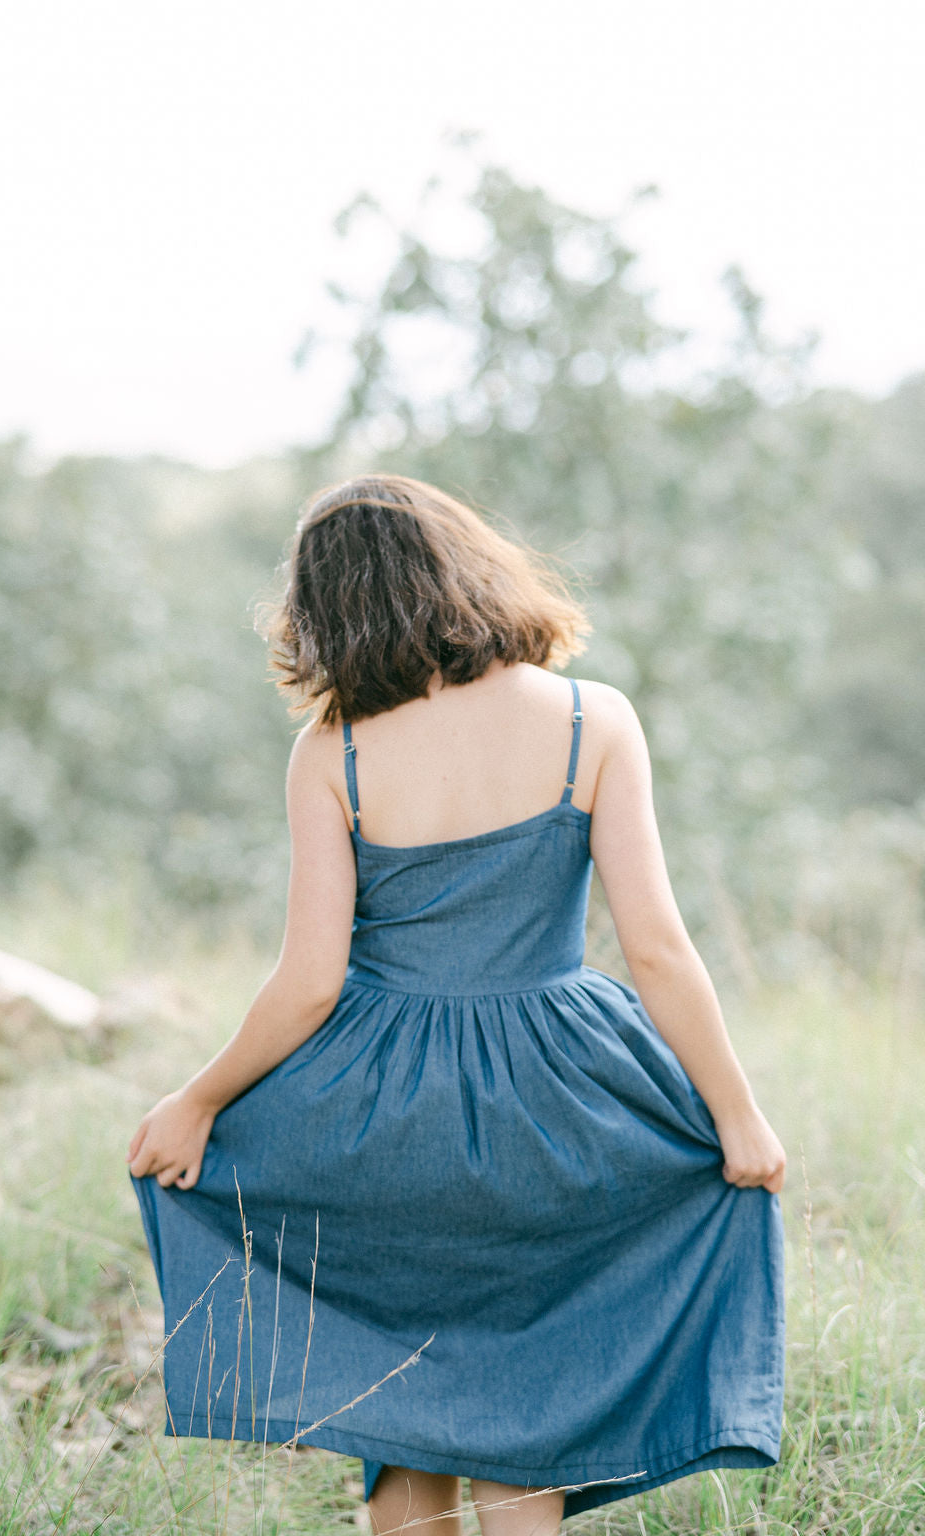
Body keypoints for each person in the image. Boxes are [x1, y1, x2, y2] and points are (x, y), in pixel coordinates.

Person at [127, 473, 787, 1536]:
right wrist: (736, 1117)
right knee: (526, 1421)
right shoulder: (593, 720)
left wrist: (197, 1101)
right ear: (466, 568)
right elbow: (658, 951)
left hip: (382, 1119)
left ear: (328, 611)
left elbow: (308, 981)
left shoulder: (333, 750)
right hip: (559, 1106)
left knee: (403, 1405)